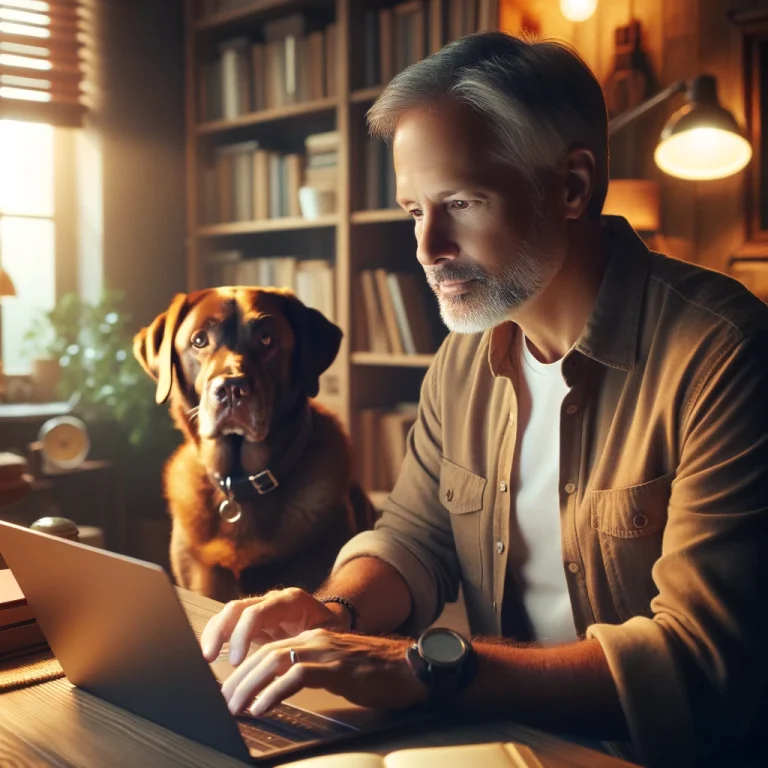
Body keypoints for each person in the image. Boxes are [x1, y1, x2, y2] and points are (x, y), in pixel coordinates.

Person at [200, 32, 768, 767]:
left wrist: (421, 669)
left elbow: (699, 665)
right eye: (413, 210)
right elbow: (414, 538)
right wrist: (333, 608)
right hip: (503, 740)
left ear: (571, 186)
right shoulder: (464, 358)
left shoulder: (728, 356)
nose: (427, 246)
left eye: (461, 202)